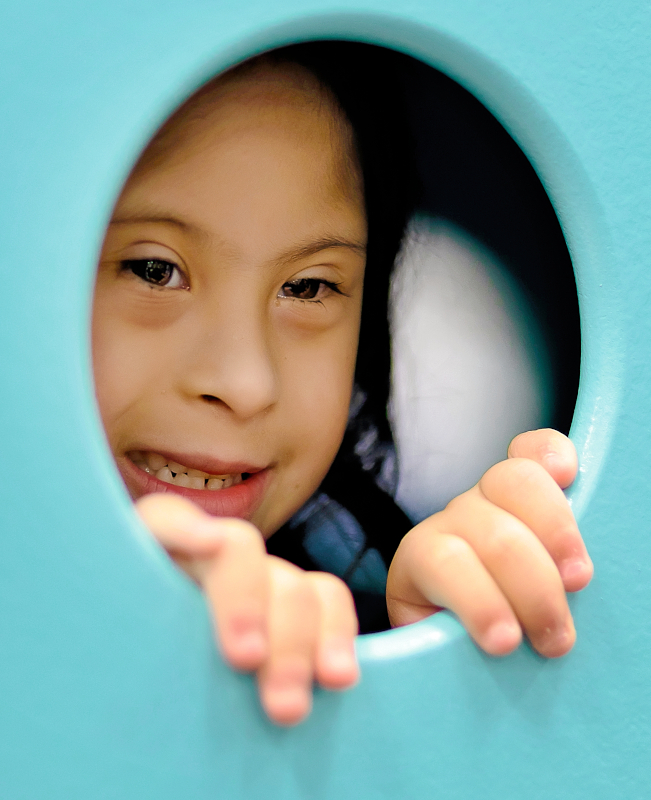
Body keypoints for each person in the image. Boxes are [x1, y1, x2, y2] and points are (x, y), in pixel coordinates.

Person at [91, 42, 593, 727]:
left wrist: (417, 656)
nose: (244, 382)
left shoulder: (357, 601)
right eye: (153, 270)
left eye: (308, 286)